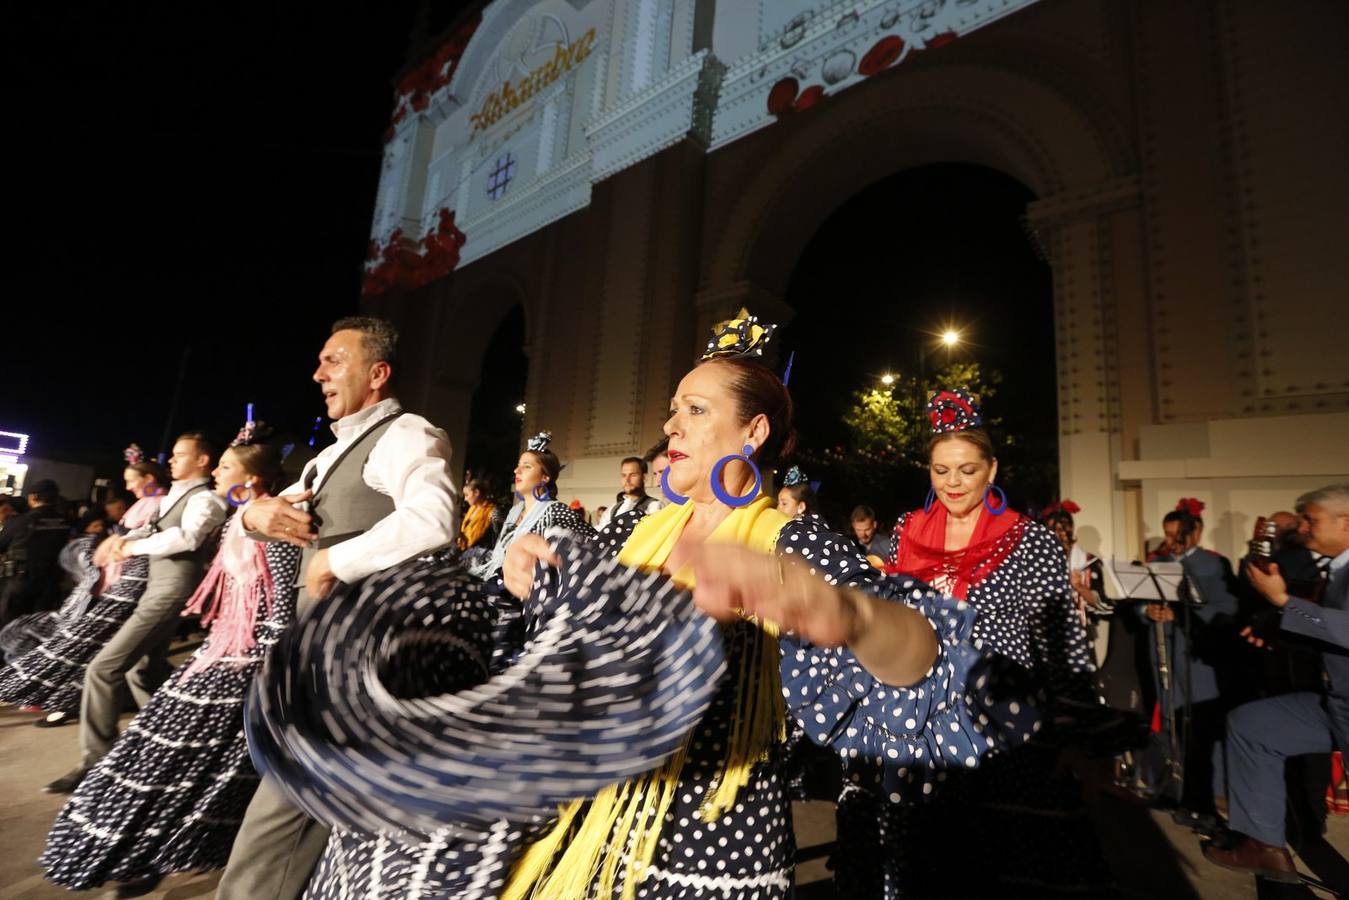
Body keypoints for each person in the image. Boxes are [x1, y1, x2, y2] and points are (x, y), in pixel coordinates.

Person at [245, 309, 994, 898]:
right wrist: (521, 573)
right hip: (596, 809)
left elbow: (927, 657)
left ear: (753, 431)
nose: (671, 425)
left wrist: (845, 615)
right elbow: (574, 633)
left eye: (695, 411)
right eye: (673, 409)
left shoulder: (790, 541)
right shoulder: (642, 530)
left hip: (705, 828)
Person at [217, 316, 459, 900]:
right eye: (321, 361)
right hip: (310, 643)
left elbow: (434, 519)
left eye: (334, 360)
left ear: (377, 373)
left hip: (356, 645)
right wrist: (254, 516)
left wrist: (335, 562)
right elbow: (259, 525)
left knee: (282, 809)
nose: (318, 373)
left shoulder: (407, 432)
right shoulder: (324, 458)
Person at [860, 387, 1112, 897]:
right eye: (941, 470)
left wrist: (1078, 729)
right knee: (923, 860)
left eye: (967, 470)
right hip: (918, 722)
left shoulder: (1028, 539)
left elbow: (1060, 638)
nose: (952, 483)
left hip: (1003, 722)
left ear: (992, 470)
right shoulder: (908, 530)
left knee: (1004, 860)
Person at [41, 425, 301, 898]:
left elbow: (280, 603)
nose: (218, 475)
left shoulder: (271, 526)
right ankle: (147, 853)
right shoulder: (238, 519)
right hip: (224, 648)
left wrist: (263, 659)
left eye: (225, 467)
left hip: (248, 659)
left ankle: (161, 853)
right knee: (176, 748)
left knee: (199, 760)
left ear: (254, 481)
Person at [44, 434, 228, 794]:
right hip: (156, 587)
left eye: (179, 455)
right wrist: (122, 539)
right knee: (144, 670)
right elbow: (156, 528)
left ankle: (96, 761)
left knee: (104, 668)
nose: (171, 461)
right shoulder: (175, 495)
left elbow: (187, 538)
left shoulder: (206, 498)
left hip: (171, 590)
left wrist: (130, 546)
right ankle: (175, 739)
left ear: (203, 460)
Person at [1203, 483, 1349, 883]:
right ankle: (1264, 846)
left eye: (1311, 519)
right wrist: (1277, 624)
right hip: (1335, 702)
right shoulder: (1332, 568)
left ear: (1346, 522)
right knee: (1253, 725)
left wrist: (1284, 603)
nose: (1302, 527)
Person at [0, 457, 167, 720]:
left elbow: (138, 547)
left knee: (83, 648)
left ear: (148, 479)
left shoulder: (158, 505)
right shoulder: (140, 507)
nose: (128, 485)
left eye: (131, 479)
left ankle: (61, 699)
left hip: (117, 590)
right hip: (93, 587)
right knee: (79, 645)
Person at [1138, 498, 1245, 814]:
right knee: (1171, 719)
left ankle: (1214, 793)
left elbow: (1228, 609)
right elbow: (1139, 599)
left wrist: (1180, 614)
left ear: (1196, 532)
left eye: (1177, 534)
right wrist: (1147, 610)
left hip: (1195, 658)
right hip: (1164, 655)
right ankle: (1177, 787)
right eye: (1167, 534)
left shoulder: (1213, 564)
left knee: (1201, 725)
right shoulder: (1158, 561)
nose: (1171, 541)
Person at [0, 478, 72, 627]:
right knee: (35, 628)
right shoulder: (65, 522)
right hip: (50, 584)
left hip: (21, 583)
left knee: (8, 627)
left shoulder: (21, 521)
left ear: (33, 497)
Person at [595, 455, 662, 531]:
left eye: (633, 475)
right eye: (624, 475)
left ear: (644, 477)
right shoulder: (612, 509)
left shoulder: (654, 506)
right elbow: (599, 534)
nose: (627, 480)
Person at [456, 476, 502, 552]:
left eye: (467, 495)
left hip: (482, 554)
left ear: (476, 492)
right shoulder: (472, 509)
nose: (465, 499)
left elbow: (498, 537)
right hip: (464, 550)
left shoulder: (493, 511)